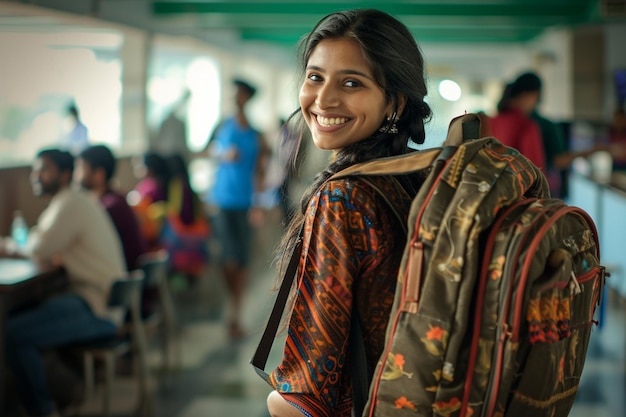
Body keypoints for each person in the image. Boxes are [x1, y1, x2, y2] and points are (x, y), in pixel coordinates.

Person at [264, 9, 432, 417]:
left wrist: (275, 400)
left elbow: (308, 393)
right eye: (315, 77)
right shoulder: (423, 176)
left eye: (352, 83)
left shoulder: (343, 199)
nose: (323, 100)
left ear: (394, 101)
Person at [0, 148, 126, 417]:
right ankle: (66, 394)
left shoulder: (71, 203)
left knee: (14, 333)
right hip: (99, 300)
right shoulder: (70, 202)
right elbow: (41, 243)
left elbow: (39, 246)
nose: (36, 176)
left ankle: (44, 410)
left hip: (96, 306)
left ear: (65, 174)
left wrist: (12, 247)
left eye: (44, 170)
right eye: (34, 170)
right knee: (20, 319)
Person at [204, 78, 271, 339]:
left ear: (247, 97)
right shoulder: (222, 126)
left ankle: (235, 312)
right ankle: (232, 305)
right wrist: (222, 155)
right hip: (221, 201)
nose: (236, 97)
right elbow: (206, 151)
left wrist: (258, 203)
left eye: (241, 93)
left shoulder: (256, 135)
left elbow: (260, 171)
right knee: (225, 258)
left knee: (241, 259)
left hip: (244, 203)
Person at [75, 144, 147, 270]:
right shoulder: (116, 199)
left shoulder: (110, 207)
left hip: (121, 278)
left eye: (80, 168)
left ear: (99, 174)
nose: (75, 175)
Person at [160, 153, 210, 281]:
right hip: (196, 237)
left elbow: (175, 210)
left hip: (181, 237)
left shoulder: (176, 184)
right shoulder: (189, 185)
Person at [485, 76, 547, 171]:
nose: (535, 104)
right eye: (536, 98)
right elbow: (535, 170)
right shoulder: (526, 125)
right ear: (526, 95)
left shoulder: (489, 122)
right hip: (517, 184)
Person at [127, 152, 170, 250]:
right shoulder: (163, 184)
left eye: (141, 165)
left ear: (149, 168)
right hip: (163, 237)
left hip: (150, 235)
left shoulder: (149, 186)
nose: (138, 169)